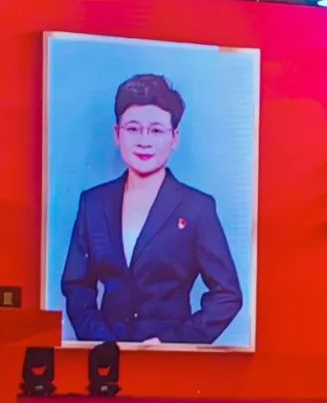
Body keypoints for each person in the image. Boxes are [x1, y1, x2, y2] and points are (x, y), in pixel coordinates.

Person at [61, 74, 243, 344]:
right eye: (133, 129)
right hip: (106, 356)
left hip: (169, 358)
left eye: (156, 130)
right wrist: (104, 343)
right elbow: (77, 286)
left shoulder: (197, 207)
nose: (144, 141)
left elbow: (227, 295)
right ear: (117, 134)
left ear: (174, 138)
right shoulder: (94, 203)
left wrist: (173, 342)